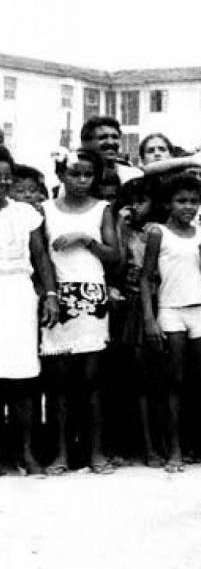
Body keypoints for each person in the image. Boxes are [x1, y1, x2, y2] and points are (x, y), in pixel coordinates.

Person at [40, 149, 120, 475]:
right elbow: (41, 258)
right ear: (61, 175)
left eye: (89, 174)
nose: (82, 180)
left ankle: (96, 451)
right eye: (75, 173)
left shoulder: (102, 209)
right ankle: (60, 452)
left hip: (92, 295)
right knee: (59, 382)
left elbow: (115, 256)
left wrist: (86, 239)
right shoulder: (44, 209)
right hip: (59, 296)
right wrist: (49, 294)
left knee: (92, 380)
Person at [140, 173, 201, 473]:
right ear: (168, 204)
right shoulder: (158, 233)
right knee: (174, 383)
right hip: (170, 310)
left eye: (194, 201)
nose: (188, 207)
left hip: (199, 310)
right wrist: (149, 318)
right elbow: (146, 277)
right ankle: (175, 450)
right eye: (181, 201)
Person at [0, 152, 60, 475]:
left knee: (23, 378)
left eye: (6, 177)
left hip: (19, 294)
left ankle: (26, 451)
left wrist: (50, 295)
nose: (2, 183)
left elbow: (40, 257)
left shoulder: (24, 213)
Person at [112, 177, 164, 467]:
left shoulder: (158, 232)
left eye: (142, 201)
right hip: (133, 307)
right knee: (139, 380)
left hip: (165, 301)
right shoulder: (126, 233)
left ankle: (166, 441)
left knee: (164, 379)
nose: (136, 207)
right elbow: (118, 265)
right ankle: (145, 446)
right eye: (130, 201)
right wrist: (121, 229)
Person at [79, 117, 143, 184]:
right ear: (85, 143)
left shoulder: (133, 176)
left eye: (115, 137)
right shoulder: (73, 176)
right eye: (103, 137)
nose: (110, 142)